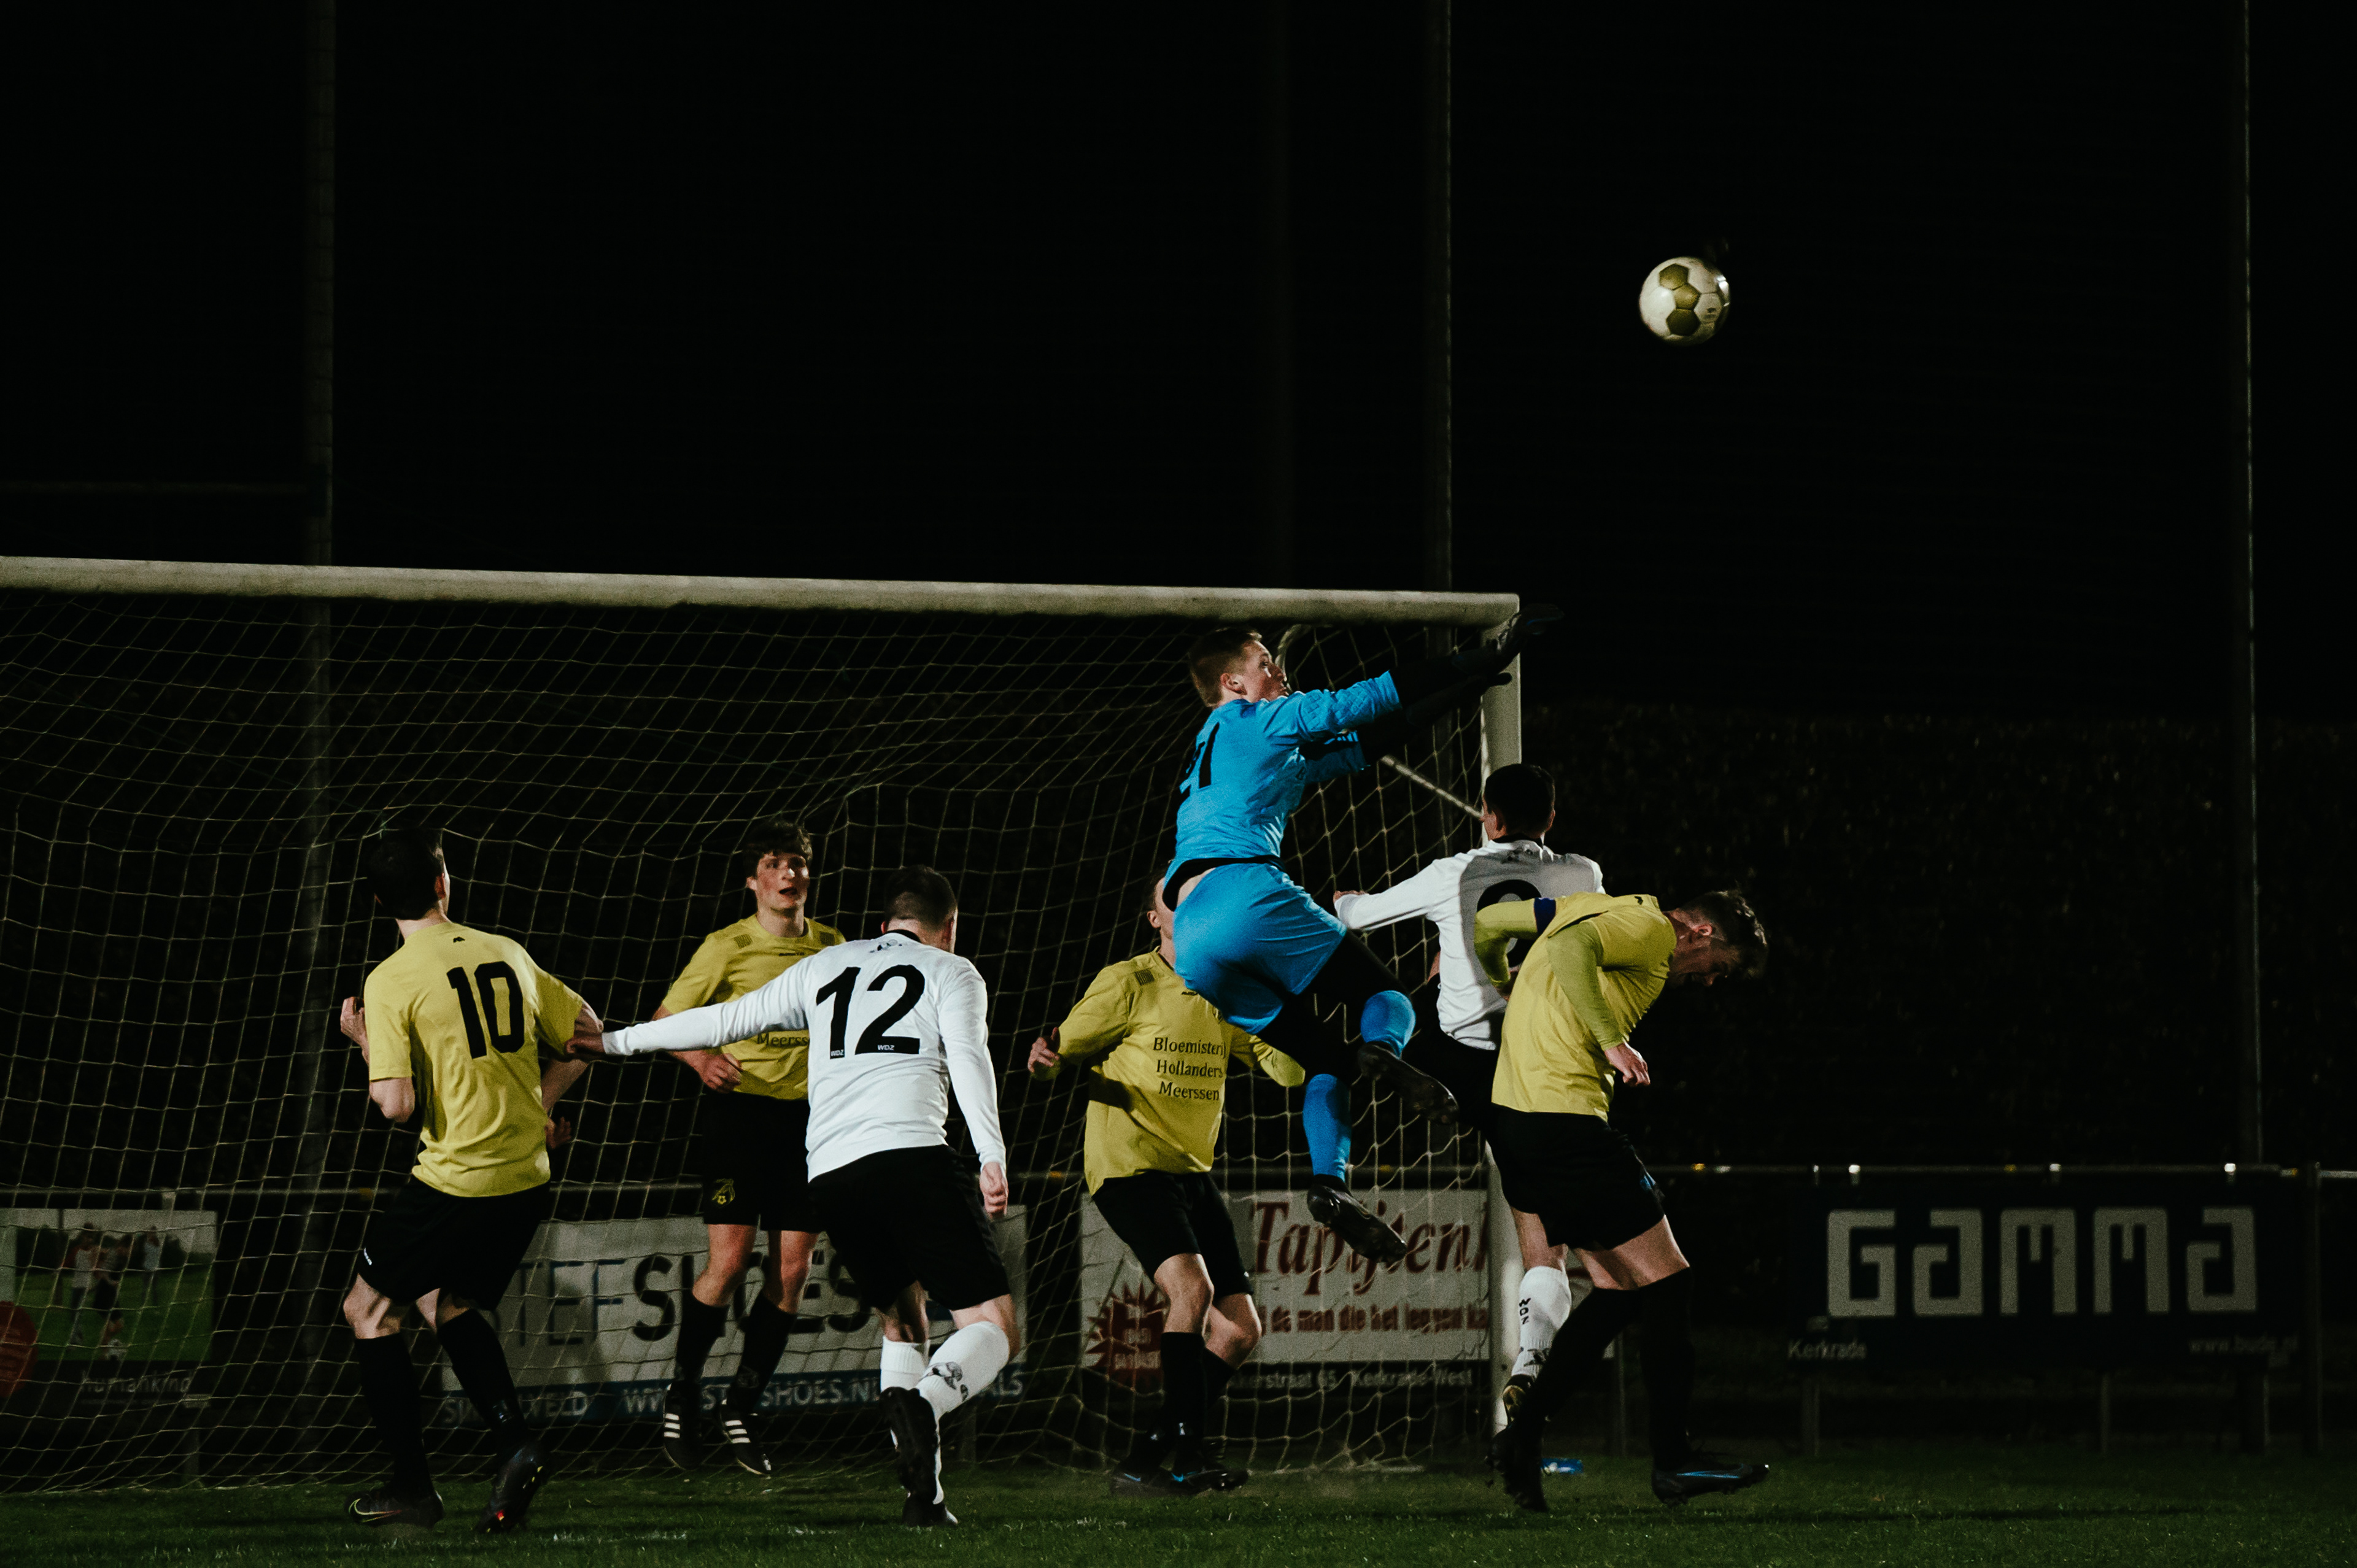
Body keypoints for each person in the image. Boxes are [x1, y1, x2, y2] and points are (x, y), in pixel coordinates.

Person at [576, 865, 1014, 1529]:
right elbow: (970, 1057)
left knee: (904, 1319)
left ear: (883, 924)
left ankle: (924, 1497)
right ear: (948, 928)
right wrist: (991, 1154)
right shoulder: (953, 971)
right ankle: (923, 1405)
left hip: (832, 1176)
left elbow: (722, 1018)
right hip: (914, 1159)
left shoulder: (824, 964)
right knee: (994, 1326)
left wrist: (615, 1040)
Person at [1166, 613, 1556, 1265]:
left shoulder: (1217, 749)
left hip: (1192, 935)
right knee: (1389, 999)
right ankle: (1384, 1052)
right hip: (1245, 892)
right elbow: (1369, 698)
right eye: (1266, 664)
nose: (1280, 673)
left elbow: (1367, 742)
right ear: (1233, 682)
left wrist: (1467, 688)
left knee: (1325, 1058)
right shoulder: (1260, 719)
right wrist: (1479, 657)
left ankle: (1330, 1185)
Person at [336, 822, 602, 1534]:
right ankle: (516, 1444)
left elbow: (396, 1105)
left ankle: (412, 1488)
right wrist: (537, 1102)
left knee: (367, 1310)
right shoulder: (504, 949)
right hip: (526, 1178)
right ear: (442, 883)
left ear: (376, 900)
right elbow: (588, 1034)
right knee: (444, 1300)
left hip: (458, 1179)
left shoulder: (390, 978)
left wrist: (366, 1043)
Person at [1471, 887, 1771, 1512]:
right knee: (1671, 1281)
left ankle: (1522, 1438)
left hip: (1516, 1122)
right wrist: (1611, 1040)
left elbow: (1491, 921)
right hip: (1565, 1120)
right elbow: (1574, 948)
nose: (1709, 982)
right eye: (1719, 967)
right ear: (1701, 932)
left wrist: (1503, 982)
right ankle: (1673, 1459)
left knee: (1620, 1289)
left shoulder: (1585, 905)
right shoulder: (1652, 928)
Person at [1331, 762, 1604, 1417]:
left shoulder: (1452, 872)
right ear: (1552, 818)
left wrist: (1346, 899)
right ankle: (1531, 1361)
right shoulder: (1584, 875)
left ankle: (1395, 1060)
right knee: (1541, 1228)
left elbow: (1360, 917)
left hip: (1462, 1054)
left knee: (1410, 998)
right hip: (1537, 1062)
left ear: (1489, 815)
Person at [1026, 878, 1301, 1497]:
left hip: (1189, 1173)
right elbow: (1058, 1053)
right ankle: (1190, 1455)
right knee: (1192, 1290)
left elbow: (1287, 1070)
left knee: (1239, 1330)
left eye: (1198, 893)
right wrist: (1045, 1061)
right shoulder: (1128, 981)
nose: (1187, 901)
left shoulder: (1225, 989)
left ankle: (1142, 1460)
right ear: (1154, 918)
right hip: (1128, 1167)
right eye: (1172, 895)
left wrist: (1289, 1004)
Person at [649, 817, 846, 1475]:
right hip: (740, 1116)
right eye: (774, 863)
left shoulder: (834, 946)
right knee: (729, 1263)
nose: (789, 872)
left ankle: (740, 1404)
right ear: (752, 881)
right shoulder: (726, 945)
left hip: (809, 1123)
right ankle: (682, 1394)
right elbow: (664, 1021)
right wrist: (701, 1058)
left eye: (798, 862)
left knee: (792, 1272)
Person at [61, 1224, 100, 1344]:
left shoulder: (94, 1252)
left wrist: (97, 1283)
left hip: (86, 1286)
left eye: (91, 1237)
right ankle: (80, 1334)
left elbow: (97, 1269)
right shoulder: (76, 1250)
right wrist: (58, 1270)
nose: (89, 1240)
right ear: (83, 1236)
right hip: (76, 1285)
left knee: (78, 1312)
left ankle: (73, 1341)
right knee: (73, 1313)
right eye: (87, 1236)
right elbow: (67, 1263)